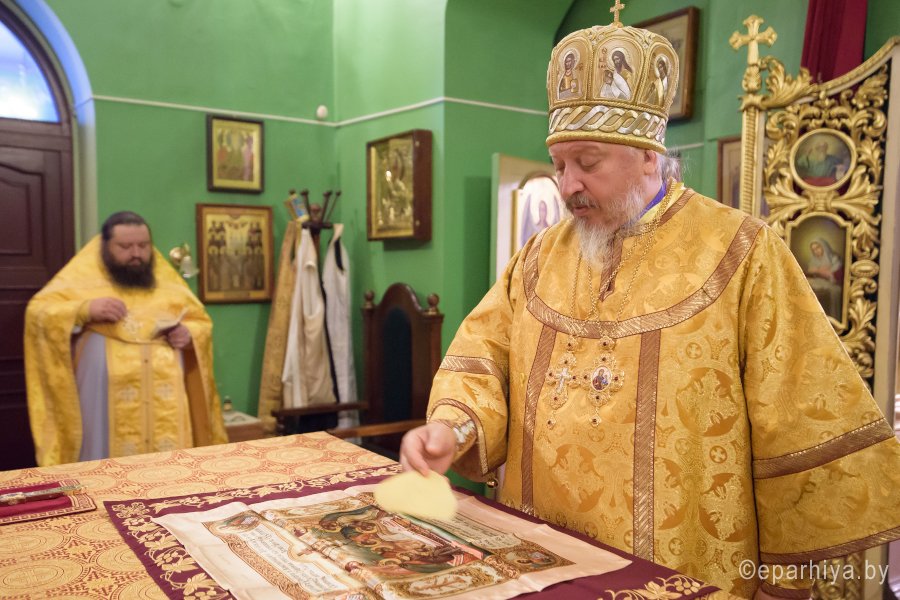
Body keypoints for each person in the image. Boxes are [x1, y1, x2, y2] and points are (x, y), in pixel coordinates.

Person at [400, 13, 900, 600]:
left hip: (682, 573)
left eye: (588, 163)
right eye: (559, 165)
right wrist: (450, 428)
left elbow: (799, 424)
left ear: (647, 155)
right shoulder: (537, 258)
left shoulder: (741, 254)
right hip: (541, 564)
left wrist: (782, 585)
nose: (567, 185)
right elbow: (483, 360)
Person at [24, 211, 227, 466]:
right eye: (125, 246)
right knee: (103, 461)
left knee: (168, 467)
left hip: (165, 398)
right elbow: (38, 313)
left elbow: (200, 320)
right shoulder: (80, 276)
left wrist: (189, 333)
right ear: (105, 246)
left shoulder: (166, 280)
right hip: (102, 398)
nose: (136, 254)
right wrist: (84, 309)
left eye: (143, 246)